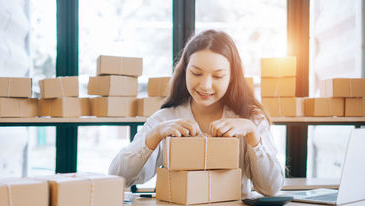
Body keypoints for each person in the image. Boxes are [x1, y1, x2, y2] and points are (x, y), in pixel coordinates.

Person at [109, 30, 284, 197]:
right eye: (196, 73)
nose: (205, 85)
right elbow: (118, 177)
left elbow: (271, 188)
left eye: (218, 76)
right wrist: (153, 137)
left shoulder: (251, 120)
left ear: (232, 77)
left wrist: (253, 135)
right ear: (184, 70)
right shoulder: (165, 119)